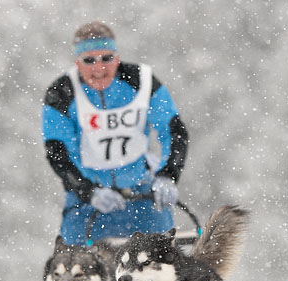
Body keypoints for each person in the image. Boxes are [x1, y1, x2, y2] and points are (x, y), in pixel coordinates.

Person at [42, 21, 189, 245]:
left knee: (164, 268)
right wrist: (88, 191)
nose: (99, 68)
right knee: (72, 270)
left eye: (107, 58)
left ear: (117, 58)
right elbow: (59, 153)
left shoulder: (142, 81)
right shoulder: (62, 93)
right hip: (88, 202)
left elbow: (173, 130)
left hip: (141, 193)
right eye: (89, 60)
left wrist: (168, 175)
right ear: (77, 63)